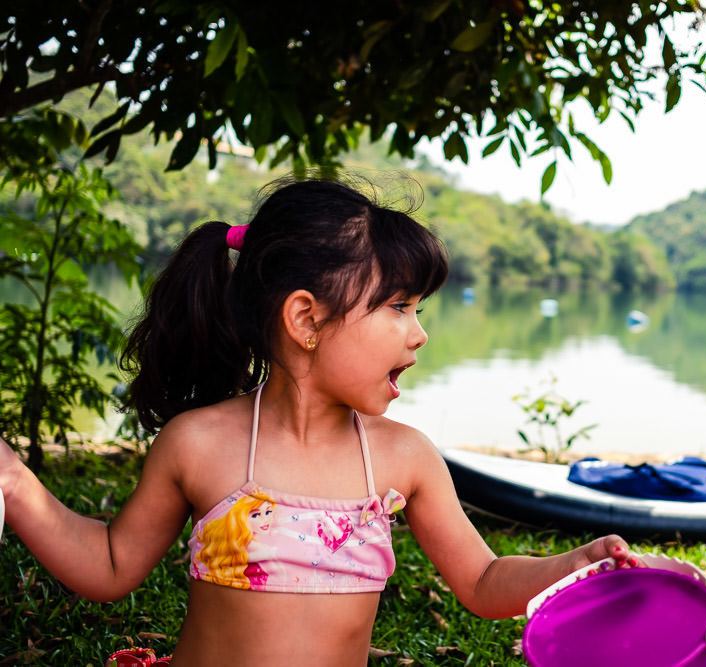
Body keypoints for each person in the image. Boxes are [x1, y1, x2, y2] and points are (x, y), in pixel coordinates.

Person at [0, 175, 640, 665]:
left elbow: (482, 578)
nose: (418, 334)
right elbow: (111, 565)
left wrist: (572, 565)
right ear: (306, 319)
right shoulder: (199, 443)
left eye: (419, 310)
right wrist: (17, 485)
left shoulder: (403, 458)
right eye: (397, 306)